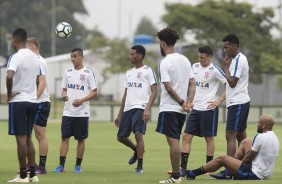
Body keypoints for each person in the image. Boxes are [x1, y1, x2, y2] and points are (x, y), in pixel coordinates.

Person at [184, 114, 279, 180]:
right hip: (264, 173)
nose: (256, 124)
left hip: (254, 174)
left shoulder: (260, 137)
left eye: (258, 123)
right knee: (247, 141)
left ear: (263, 125)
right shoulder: (275, 137)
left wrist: (233, 164)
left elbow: (249, 157)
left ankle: (193, 173)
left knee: (223, 158)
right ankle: (228, 172)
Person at [155, 27, 195, 183]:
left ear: (163, 43)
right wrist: (188, 102)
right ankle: (177, 174)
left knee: (173, 141)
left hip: (170, 107)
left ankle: (176, 176)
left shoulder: (165, 62)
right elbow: (192, 83)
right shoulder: (185, 60)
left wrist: (182, 102)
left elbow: (168, 86)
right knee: (175, 139)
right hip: (181, 110)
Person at [179, 46, 226, 174]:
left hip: (208, 109)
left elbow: (231, 85)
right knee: (186, 136)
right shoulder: (194, 67)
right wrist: (188, 101)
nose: (200, 59)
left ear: (210, 57)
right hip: (195, 109)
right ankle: (182, 168)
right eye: (199, 57)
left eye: (202, 57)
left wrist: (219, 100)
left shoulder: (215, 70)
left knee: (208, 138)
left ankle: (208, 169)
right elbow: (191, 85)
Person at [53, 48, 97, 173]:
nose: (73, 58)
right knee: (64, 138)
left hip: (82, 112)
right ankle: (61, 165)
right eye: (71, 56)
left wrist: (82, 100)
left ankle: (78, 166)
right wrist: (64, 95)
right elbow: (64, 89)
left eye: (75, 56)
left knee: (80, 139)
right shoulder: (67, 72)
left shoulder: (88, 73)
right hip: (68, 111)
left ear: (81, 57)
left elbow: (94, 92)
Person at [114, 45, 157, 174]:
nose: (130, 57)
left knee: (138, 133)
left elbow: (154, 92)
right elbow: (125, 94)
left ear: (140, 56)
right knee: (121, 137)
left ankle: (140, 165)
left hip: (141, 107)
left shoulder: (148, 71)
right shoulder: (129, 72)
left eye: (133, 54)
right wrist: (119, 114)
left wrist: (147, 109)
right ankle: (136, 150)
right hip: (128, 108)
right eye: (130, 54)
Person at [6, 28, 39, 182]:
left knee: (20, 139)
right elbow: (38, 79)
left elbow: (9, 76)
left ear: (14, 40)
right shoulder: (34, 57)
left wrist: (9, 92)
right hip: (32, 101)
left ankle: (22, 175)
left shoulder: (16, 57)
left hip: (19, 101)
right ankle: (32, 174)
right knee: (28, 138)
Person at [222, 34, 251, 157]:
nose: (225, 50)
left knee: (230, 134)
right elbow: (250, 72)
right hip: (241, 100)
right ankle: (243, 166)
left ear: (234, 46)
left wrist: (225, 67)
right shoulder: (239, 59)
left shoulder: (238, 59)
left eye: (227, 47)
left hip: (237, 102)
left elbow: (232, 83)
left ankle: (230, 169)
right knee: (240, 134)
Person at [26, 37, 50, 174]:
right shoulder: (33, 62)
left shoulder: (39, 61)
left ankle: (41, 166)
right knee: (30, 134)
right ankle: (32, 164)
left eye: (27, 49)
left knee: (40, 135)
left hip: (41, 102)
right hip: (35, 101)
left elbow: (43, 82)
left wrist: (33, 99)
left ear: (34, 47)